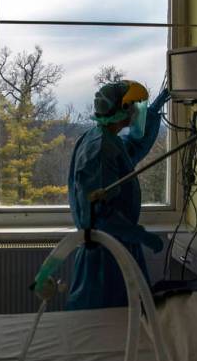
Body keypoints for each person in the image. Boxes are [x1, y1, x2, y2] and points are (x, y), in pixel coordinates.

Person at [65, 80, 171, 310]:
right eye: (135, 106)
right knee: (104, 326)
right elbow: (101, 216)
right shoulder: (99, 150)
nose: (137, 112)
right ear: (123, 109)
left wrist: (153, 113)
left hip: (116, 247)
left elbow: (131, 148)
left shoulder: (104, 137)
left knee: (125, 321)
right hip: (105, 255)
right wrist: (140, 236)